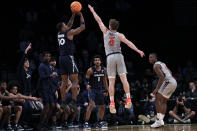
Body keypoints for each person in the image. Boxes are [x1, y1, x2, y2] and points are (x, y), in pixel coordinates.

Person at [88, 5, 145, 114]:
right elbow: (129, 43)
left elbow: (98, 20)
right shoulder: (120, 35)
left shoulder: (105, 31)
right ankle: (128, 99)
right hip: (119, 56)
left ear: (109, 26)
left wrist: (92, 10)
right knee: (124, 80)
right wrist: (138, 51)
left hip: (110, 57)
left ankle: (112, 103)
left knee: (111, 82)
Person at [56, 11, 85, 112]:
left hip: (61, 58)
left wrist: (73, 14)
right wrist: (81, 16)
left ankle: (63, 102)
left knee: (64, 82)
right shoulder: (69, 32)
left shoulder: (59, 33)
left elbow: (69, 24)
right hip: (69, 58)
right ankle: (73, 101)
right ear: (63, 28)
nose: (67, 26)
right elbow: (82, 28)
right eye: (65, 26)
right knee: (75, 81)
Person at [149, 53, 177, 128]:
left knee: (157, 99)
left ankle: (158, 120)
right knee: (164, 101)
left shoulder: (155, 65)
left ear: (156, 58)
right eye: (149, 58)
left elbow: (162, 77)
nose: (150, 59)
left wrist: (157, 88)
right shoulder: (162, 63)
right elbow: (170, 72)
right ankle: (161, 120)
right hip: (173, 82)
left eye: (152, 57)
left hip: (168, 82)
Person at [83, 55, 108, 129]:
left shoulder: (104, 70)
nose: (97, 61)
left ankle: (100, 122)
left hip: (100, 90)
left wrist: (107, 90)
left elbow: (105, 81)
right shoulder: (90, 70)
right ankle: (86, 122)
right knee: (91, 105)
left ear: (100, 61)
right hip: (92, 90)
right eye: (95, 60)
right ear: (94, 62)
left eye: (98, 60)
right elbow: (85, 80)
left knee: (102, 106)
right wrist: (87, 85)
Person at [37, 52, 58, 129]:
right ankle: (40, 123)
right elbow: (42, 77)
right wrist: (51, 75)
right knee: (46, 106)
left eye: (49, 56)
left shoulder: (49, 65)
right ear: (43, 57)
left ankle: (46, 122)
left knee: (52, 106)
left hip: (49, 89)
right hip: (43, 88)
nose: (48, 57)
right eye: (46, 56)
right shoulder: (41, 66)